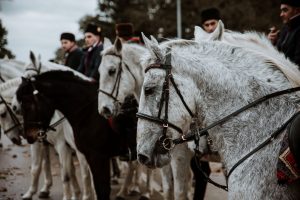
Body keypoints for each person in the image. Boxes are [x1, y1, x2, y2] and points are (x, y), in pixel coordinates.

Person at [267, 0, 300, 67]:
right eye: (281, 11)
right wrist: (273, 42)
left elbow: (297, 64)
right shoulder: (286, 28)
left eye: (285, 10)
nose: (281, 14)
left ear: (297, 10)